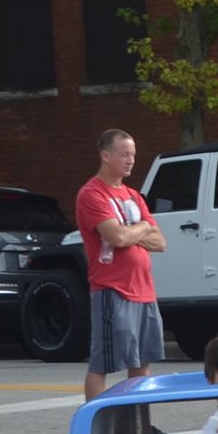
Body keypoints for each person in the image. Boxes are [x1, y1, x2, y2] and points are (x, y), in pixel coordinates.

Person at [72, 128, 166, 402]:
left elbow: (160, 242)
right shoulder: (92, 194)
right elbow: (117, 236)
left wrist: (135, 231)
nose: (130, 160)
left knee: (142, 364)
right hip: (113, 290)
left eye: (133, 155)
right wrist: (141, 229)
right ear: (105, 155)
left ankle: (137, 426)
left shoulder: (134, 196)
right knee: (103, 364)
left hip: (144, 290)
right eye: (124, 154)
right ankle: (96, 426)